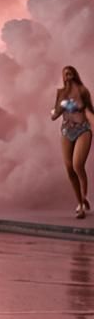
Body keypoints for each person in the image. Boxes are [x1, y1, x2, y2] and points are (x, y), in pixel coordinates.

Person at [50, 65, 93, 218]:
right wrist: (59, 109)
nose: (67, 76)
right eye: (65, 74)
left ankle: (84, 196)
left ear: (74, 74)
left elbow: (90, 111)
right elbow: (54, 114)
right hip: (66, 131)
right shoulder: (61, 93)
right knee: (69, 169)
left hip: (83, 130)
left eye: (69, 73)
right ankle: (80, 202)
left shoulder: (82, 90)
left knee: (77, 165)